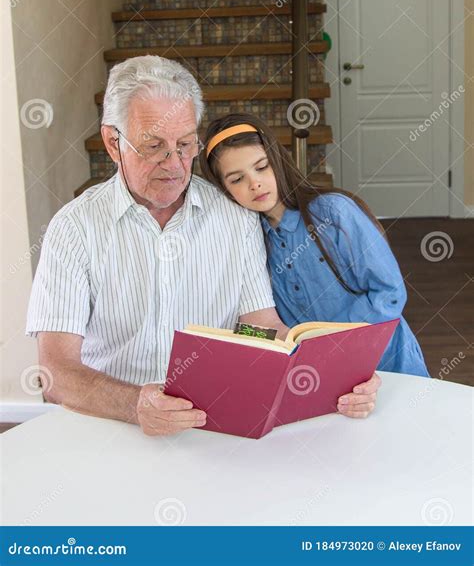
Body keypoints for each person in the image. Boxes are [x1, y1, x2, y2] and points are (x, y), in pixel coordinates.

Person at [25, 58, 381, 436]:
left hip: (210, 423)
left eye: (184, 145)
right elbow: (55, 373)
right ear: (114, 143)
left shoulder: (236, 217)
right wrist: (135, 404)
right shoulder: (73, 228)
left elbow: (255, 328)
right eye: (153, 146)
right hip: (110, 424)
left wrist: (339, 375)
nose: (174, 164)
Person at [200, 113, 430, 378]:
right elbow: (263, 324)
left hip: (390, 362)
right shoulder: (249, 247)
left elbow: (389, 291)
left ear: (277, 160)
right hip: (323, 375)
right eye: (237, 179)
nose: (255, 183)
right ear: (225, 190)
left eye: (261, 167)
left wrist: (337, 344)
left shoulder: (334, 212)